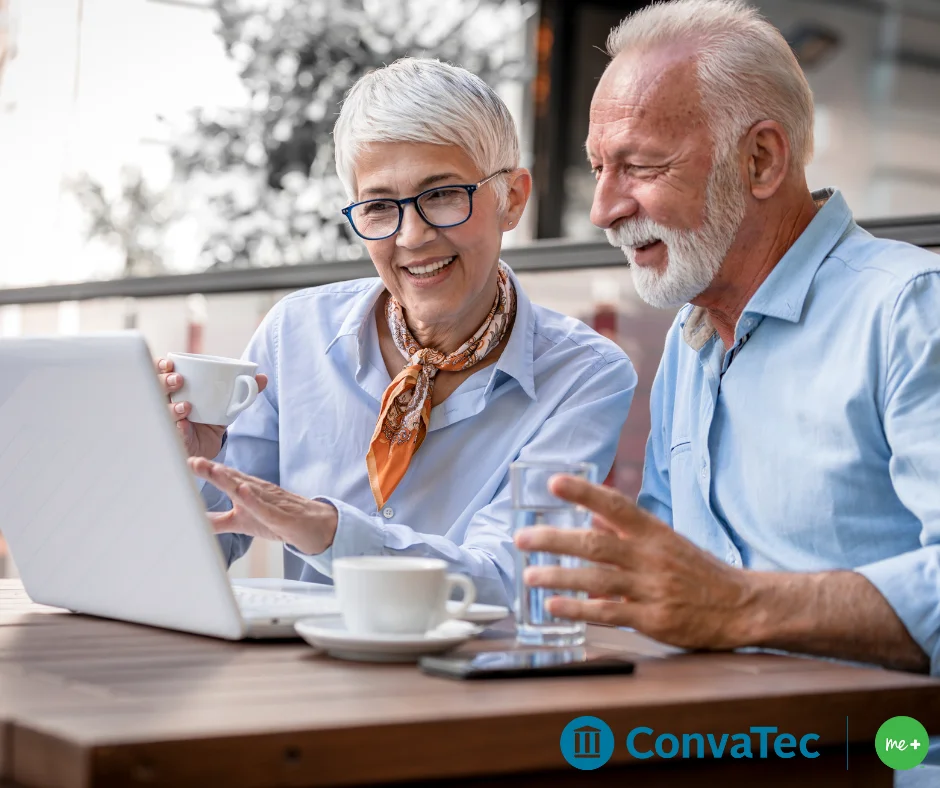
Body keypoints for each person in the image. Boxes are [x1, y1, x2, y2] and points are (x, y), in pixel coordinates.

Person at [517, 0, 940, 683]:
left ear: (761, 159)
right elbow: (666, 582)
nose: (604, 209)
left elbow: (714, 605)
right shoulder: (691, 345)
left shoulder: (913, 310)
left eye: (642, 167)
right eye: (599, 168)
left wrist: (738, 607)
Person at [158, 57, 637, 605]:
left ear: (513, 198)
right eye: (381, 206)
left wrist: (332, 533)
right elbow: (195, 554)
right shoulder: (293, 336)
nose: (412, 236)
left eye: (442, 195)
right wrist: (182, 468)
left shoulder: (584, 376)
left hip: (473, 684)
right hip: (306, 680)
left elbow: (510, 581)